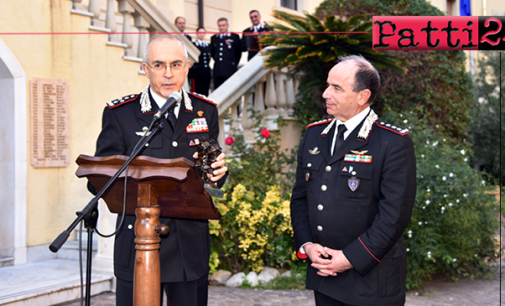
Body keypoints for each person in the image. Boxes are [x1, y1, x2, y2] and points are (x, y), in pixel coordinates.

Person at [92, 34, 227, 306]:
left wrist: (217, 177)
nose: (168, 74)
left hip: (188, 245)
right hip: (136, 242)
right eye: (159, 65)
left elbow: (210, 181)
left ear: (187, 66)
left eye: (176, 64)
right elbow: (99, 181)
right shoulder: (121, 113)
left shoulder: (205, 111)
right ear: (146, 68)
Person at [290, 55, 416, 306]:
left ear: (362, 96)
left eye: (336, 88)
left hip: (371, 280)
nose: (326, 93)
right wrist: (308, 245)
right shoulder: (315, 135)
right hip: (324, 274)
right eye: (327, 85)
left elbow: (393, 217)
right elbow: (300, 197)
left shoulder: (392, 142)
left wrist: (349, 258)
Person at [210, 17, 241, 89]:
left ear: (227, 25)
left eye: (223, 25)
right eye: (219, 26)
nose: (221, 28)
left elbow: (238, 52)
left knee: (230, 89)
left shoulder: (234, 37)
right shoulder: (214, 38)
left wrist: (233, 63)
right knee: (218, 90)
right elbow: (213, 53)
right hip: (218, 70)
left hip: (230, 69)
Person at [189, 27, 212, 96]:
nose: (201, 34)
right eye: (199, 32)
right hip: (196, 73)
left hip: (206, 73)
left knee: (205, 93)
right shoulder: (193, 45)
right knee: (196, 93)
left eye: (203, 32)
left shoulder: (208, 45)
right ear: (196, 34)